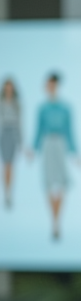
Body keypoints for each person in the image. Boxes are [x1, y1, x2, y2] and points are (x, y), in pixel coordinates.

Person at [33, 72, 80, 240]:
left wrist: (75, 153)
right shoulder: (42, 108)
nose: (50, 87)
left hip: (60, 145)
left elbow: (70, 131)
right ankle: (54, 222)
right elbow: (38, 130)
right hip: (47, 144)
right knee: (48, 183)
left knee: (61, 183)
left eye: (52, 84)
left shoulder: (65, 108)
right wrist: (34, 148)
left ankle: (56, 221)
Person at [0, 78, 22, 209]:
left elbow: (19, 123)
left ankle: (9, 193)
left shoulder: (16, 104)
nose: (8, 89)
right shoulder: (1, 103)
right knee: (5, 164)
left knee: (10, 165)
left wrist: (20, 141)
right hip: (3, 134)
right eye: (7, 87)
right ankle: (6, 193)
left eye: (10, 87)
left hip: (13, 134)